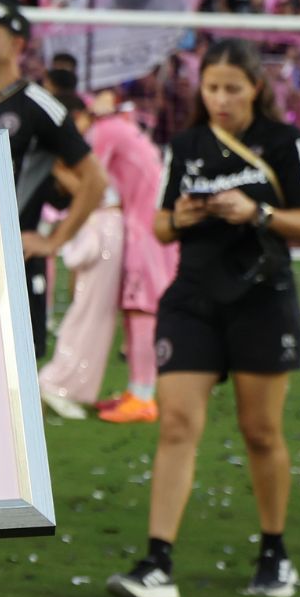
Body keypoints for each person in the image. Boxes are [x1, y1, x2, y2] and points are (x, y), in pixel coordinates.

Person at [107, 39, 300, 597]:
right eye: (211, 88)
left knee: (260, 431)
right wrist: (179, 216)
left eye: (232, 87)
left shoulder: (285, 142)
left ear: (256, 88)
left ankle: (274, 552)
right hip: (193, 298)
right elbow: (158, 225)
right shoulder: (184, 146)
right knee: (176, 423)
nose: (221, 99)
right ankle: (157, 561)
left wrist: (258, 212)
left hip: (261, 297)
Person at [0, 1, 108, 358]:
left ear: (17, 45)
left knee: (17, 381)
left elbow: (95, 180)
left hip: (16, 263)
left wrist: (54, 241)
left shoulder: (40, 105)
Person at [91, 94, 180, 425]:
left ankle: (144, 396)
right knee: (135, 310)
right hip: (146, 227)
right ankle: (135, 390)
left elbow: (90, 176)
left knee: (142, 310)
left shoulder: (107, 131)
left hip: (145, 233)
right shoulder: (123, 129)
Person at [33, 94, 120, 420]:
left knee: (92, 312)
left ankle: (69, 383)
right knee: (87, 311)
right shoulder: (69, 151)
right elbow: (89, 186)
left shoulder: (87, 143)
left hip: (103, 224)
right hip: (99, 224)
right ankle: (61, 383)